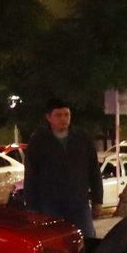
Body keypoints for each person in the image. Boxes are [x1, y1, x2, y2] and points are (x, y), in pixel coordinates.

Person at [23, 98, 102, 242]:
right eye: (58, 115)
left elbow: (94, 170)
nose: (63, 119)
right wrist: (32, 207)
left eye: (66, 115)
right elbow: (31, 175)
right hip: (50, 204)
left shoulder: (82, 138)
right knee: (55, 241)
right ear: (49, 117)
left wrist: (98, 200)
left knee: (87, 239)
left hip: (79, 202)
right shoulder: (39, 141)